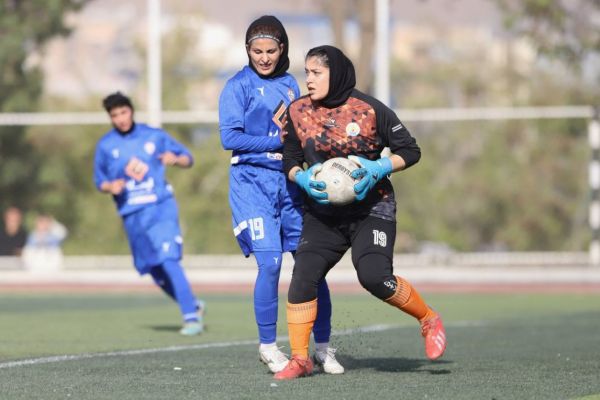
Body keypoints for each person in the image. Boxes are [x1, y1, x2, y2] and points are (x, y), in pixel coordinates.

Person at [275, 45, 447, 380]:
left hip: (372, 209)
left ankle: (427, 318)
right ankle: (300, 359)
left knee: (373, 277)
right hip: (323, 214)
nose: (307, 79)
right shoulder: (297, 111)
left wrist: (379, 168)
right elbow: (290, 159)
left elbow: (410, 151)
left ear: (335, 73)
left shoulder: (369, 109)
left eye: (315, 73)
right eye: (306, 72)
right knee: (303, 278)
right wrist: (303, 178)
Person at [218, 16, 344, 374]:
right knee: (270, 262)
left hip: (289, 185)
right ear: (247, 50)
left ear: (282, 49)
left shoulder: (291, 84)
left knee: (311, 266)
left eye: (270, 50)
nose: (264, 57)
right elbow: (230, 138)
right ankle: (269, 346)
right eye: (257, 51)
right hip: (250, 184)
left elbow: (304, 130)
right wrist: (276, 142)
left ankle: (323, 347)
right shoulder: (236, 86)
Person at [93, 92, 204, 336]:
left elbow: (189, 158)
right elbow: (99, 181)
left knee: (168, 259)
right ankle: (192, 303)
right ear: (110, 118)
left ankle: (190, 317)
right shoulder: (105, 146)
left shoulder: (153, 135)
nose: (121, 118)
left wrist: (175, 159)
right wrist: (111, 187)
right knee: (153, 269)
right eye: (115, 115)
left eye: (123, 112)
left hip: (159, 208)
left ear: (131, 111)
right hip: (132, 214)